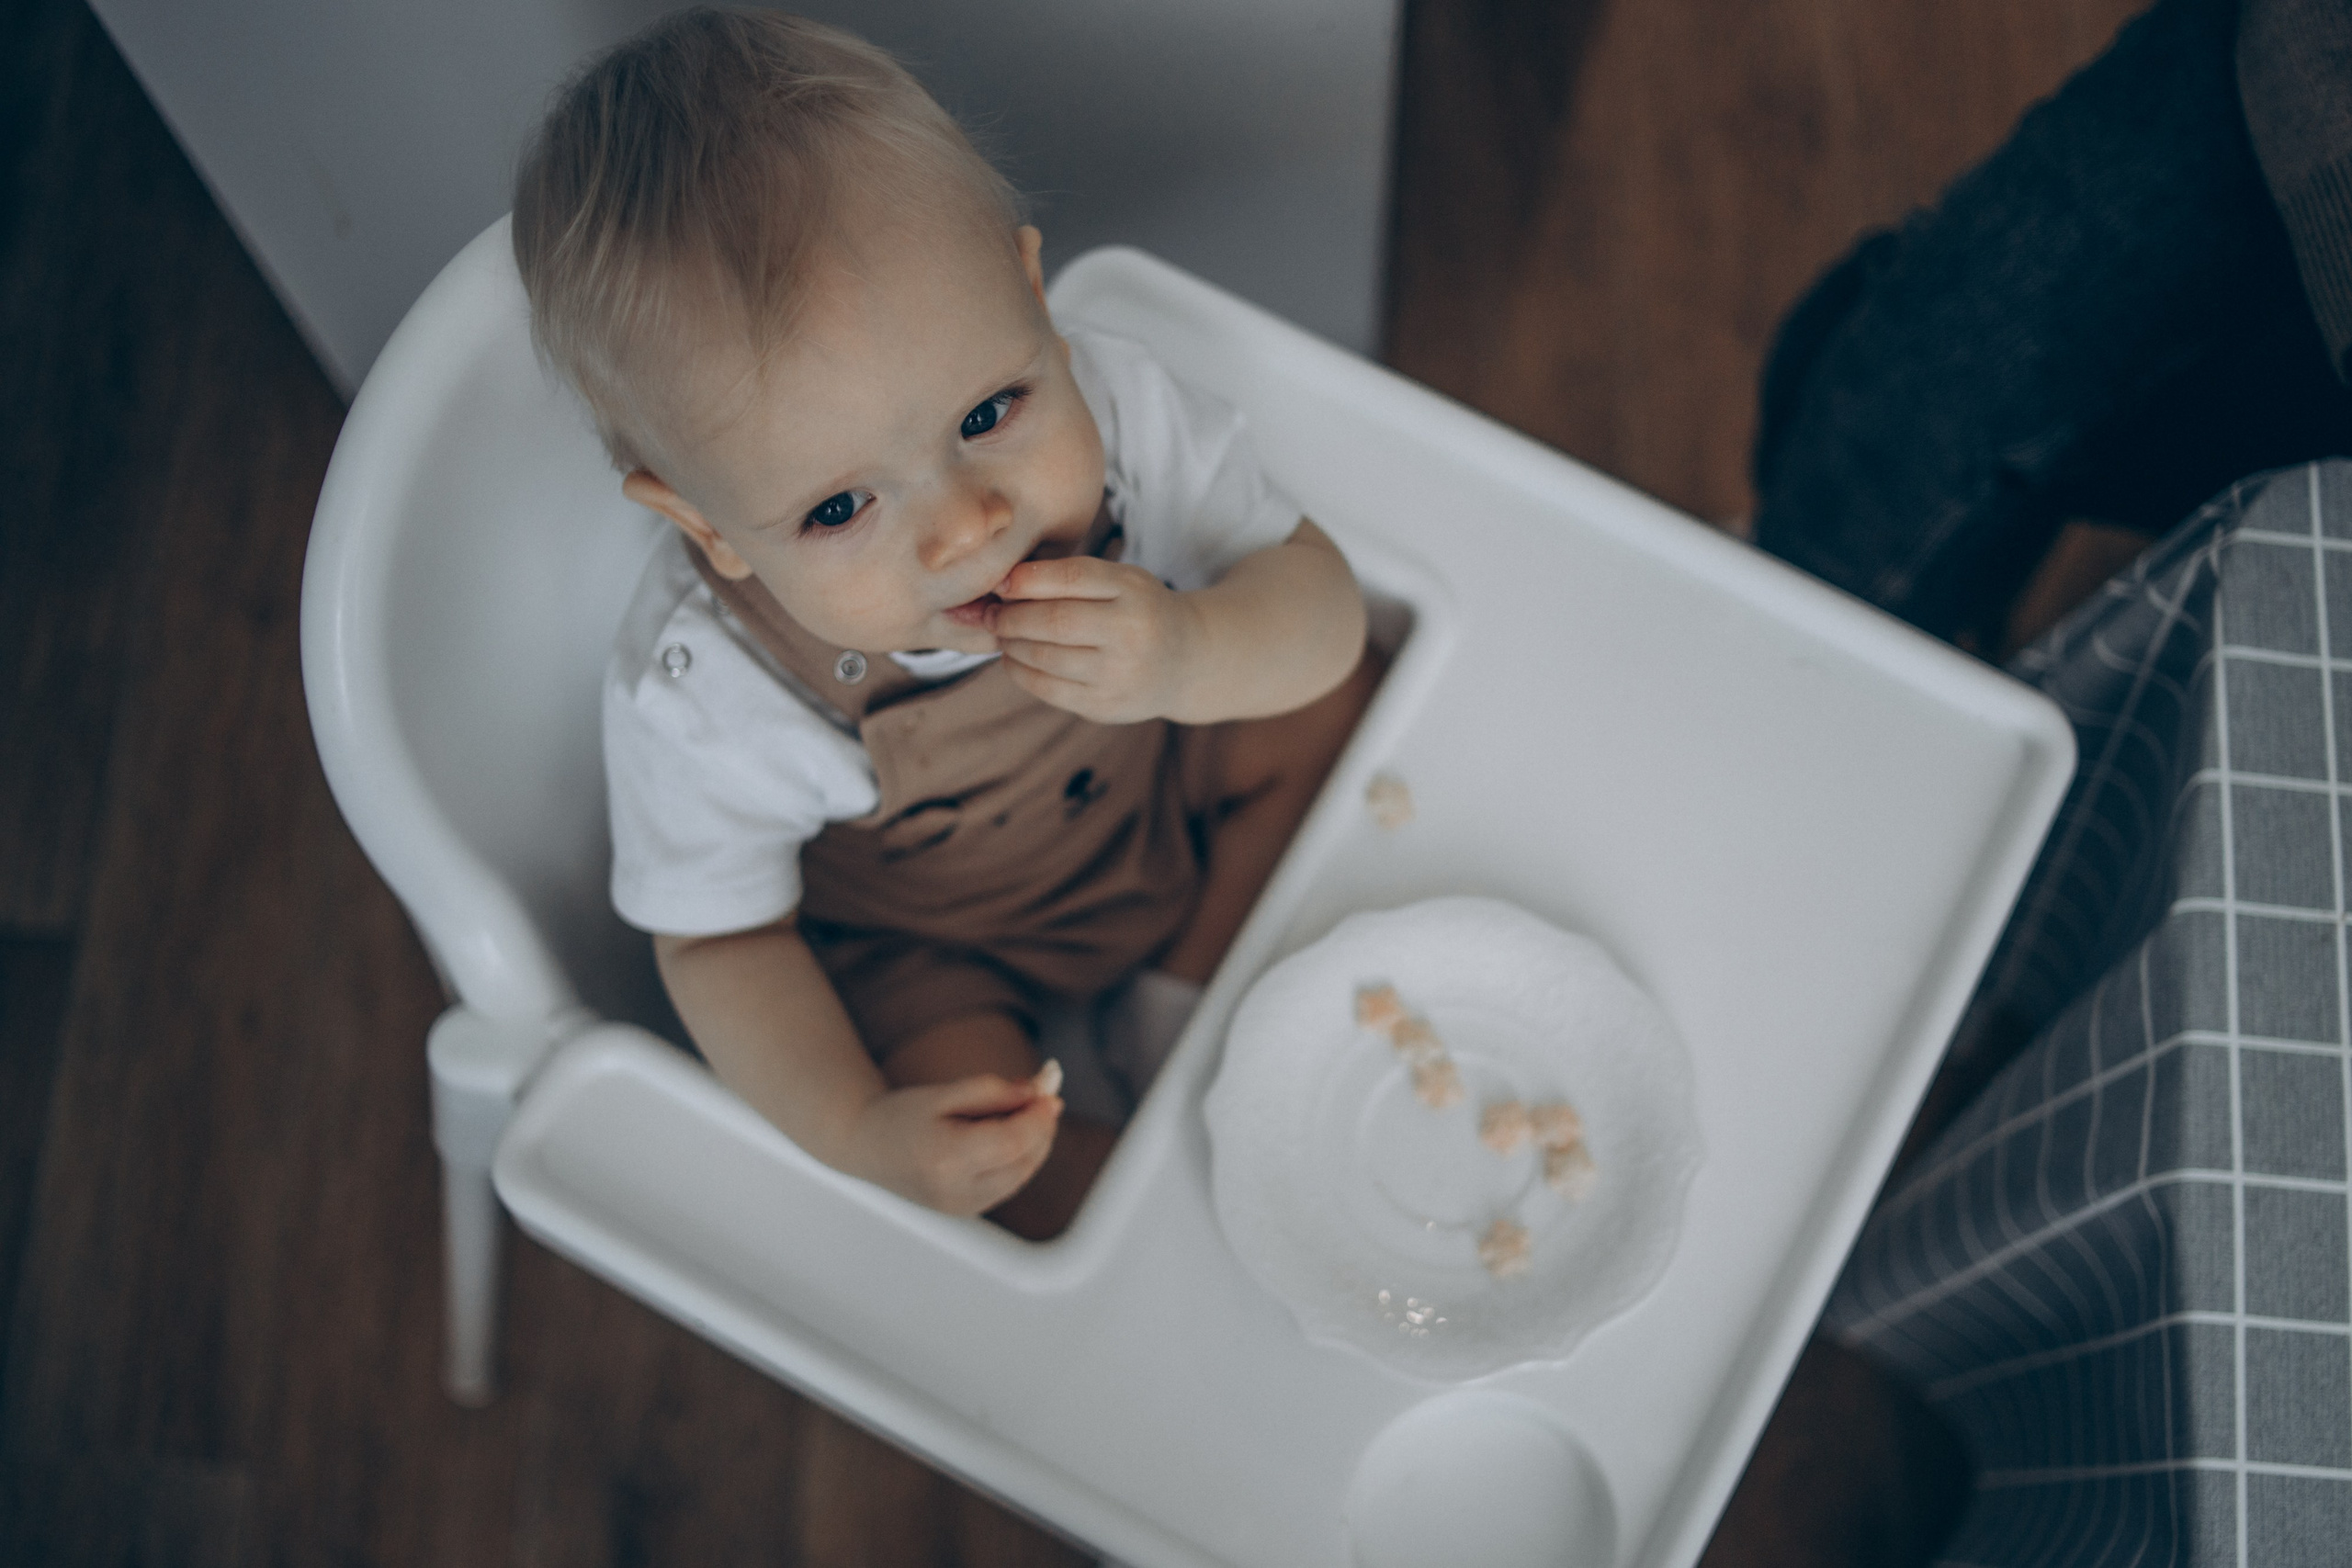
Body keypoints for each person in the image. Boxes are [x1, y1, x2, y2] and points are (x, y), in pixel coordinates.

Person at [510, 8, 1375, 1239]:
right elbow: (721, 948)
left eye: (988, 414)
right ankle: (1154, 1204)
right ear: (706, 526)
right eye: (840, 509)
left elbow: (1322, 604)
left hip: (1157, 793)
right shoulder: (712, 692)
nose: (969, 529)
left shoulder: (1127, 417)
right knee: (999, 1174)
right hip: (940, 957)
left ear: (1031, 295)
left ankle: (1184, 1001)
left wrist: (1192, 653)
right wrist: (859, 1129)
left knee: (1325, 693)